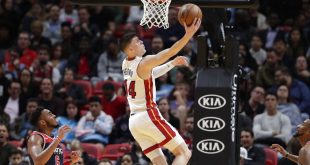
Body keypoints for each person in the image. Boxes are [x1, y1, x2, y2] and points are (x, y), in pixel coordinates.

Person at [120, 17, 201, 165]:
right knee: (184, 152)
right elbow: (171, 50)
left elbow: (150, 74)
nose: (142, 42)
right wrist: (189, 34)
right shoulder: (144, 62)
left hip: (134, 122)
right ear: (131, 49)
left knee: (160, 163)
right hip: (148, 115)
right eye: (137, 42)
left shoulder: (126, 63)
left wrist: (171, 64)